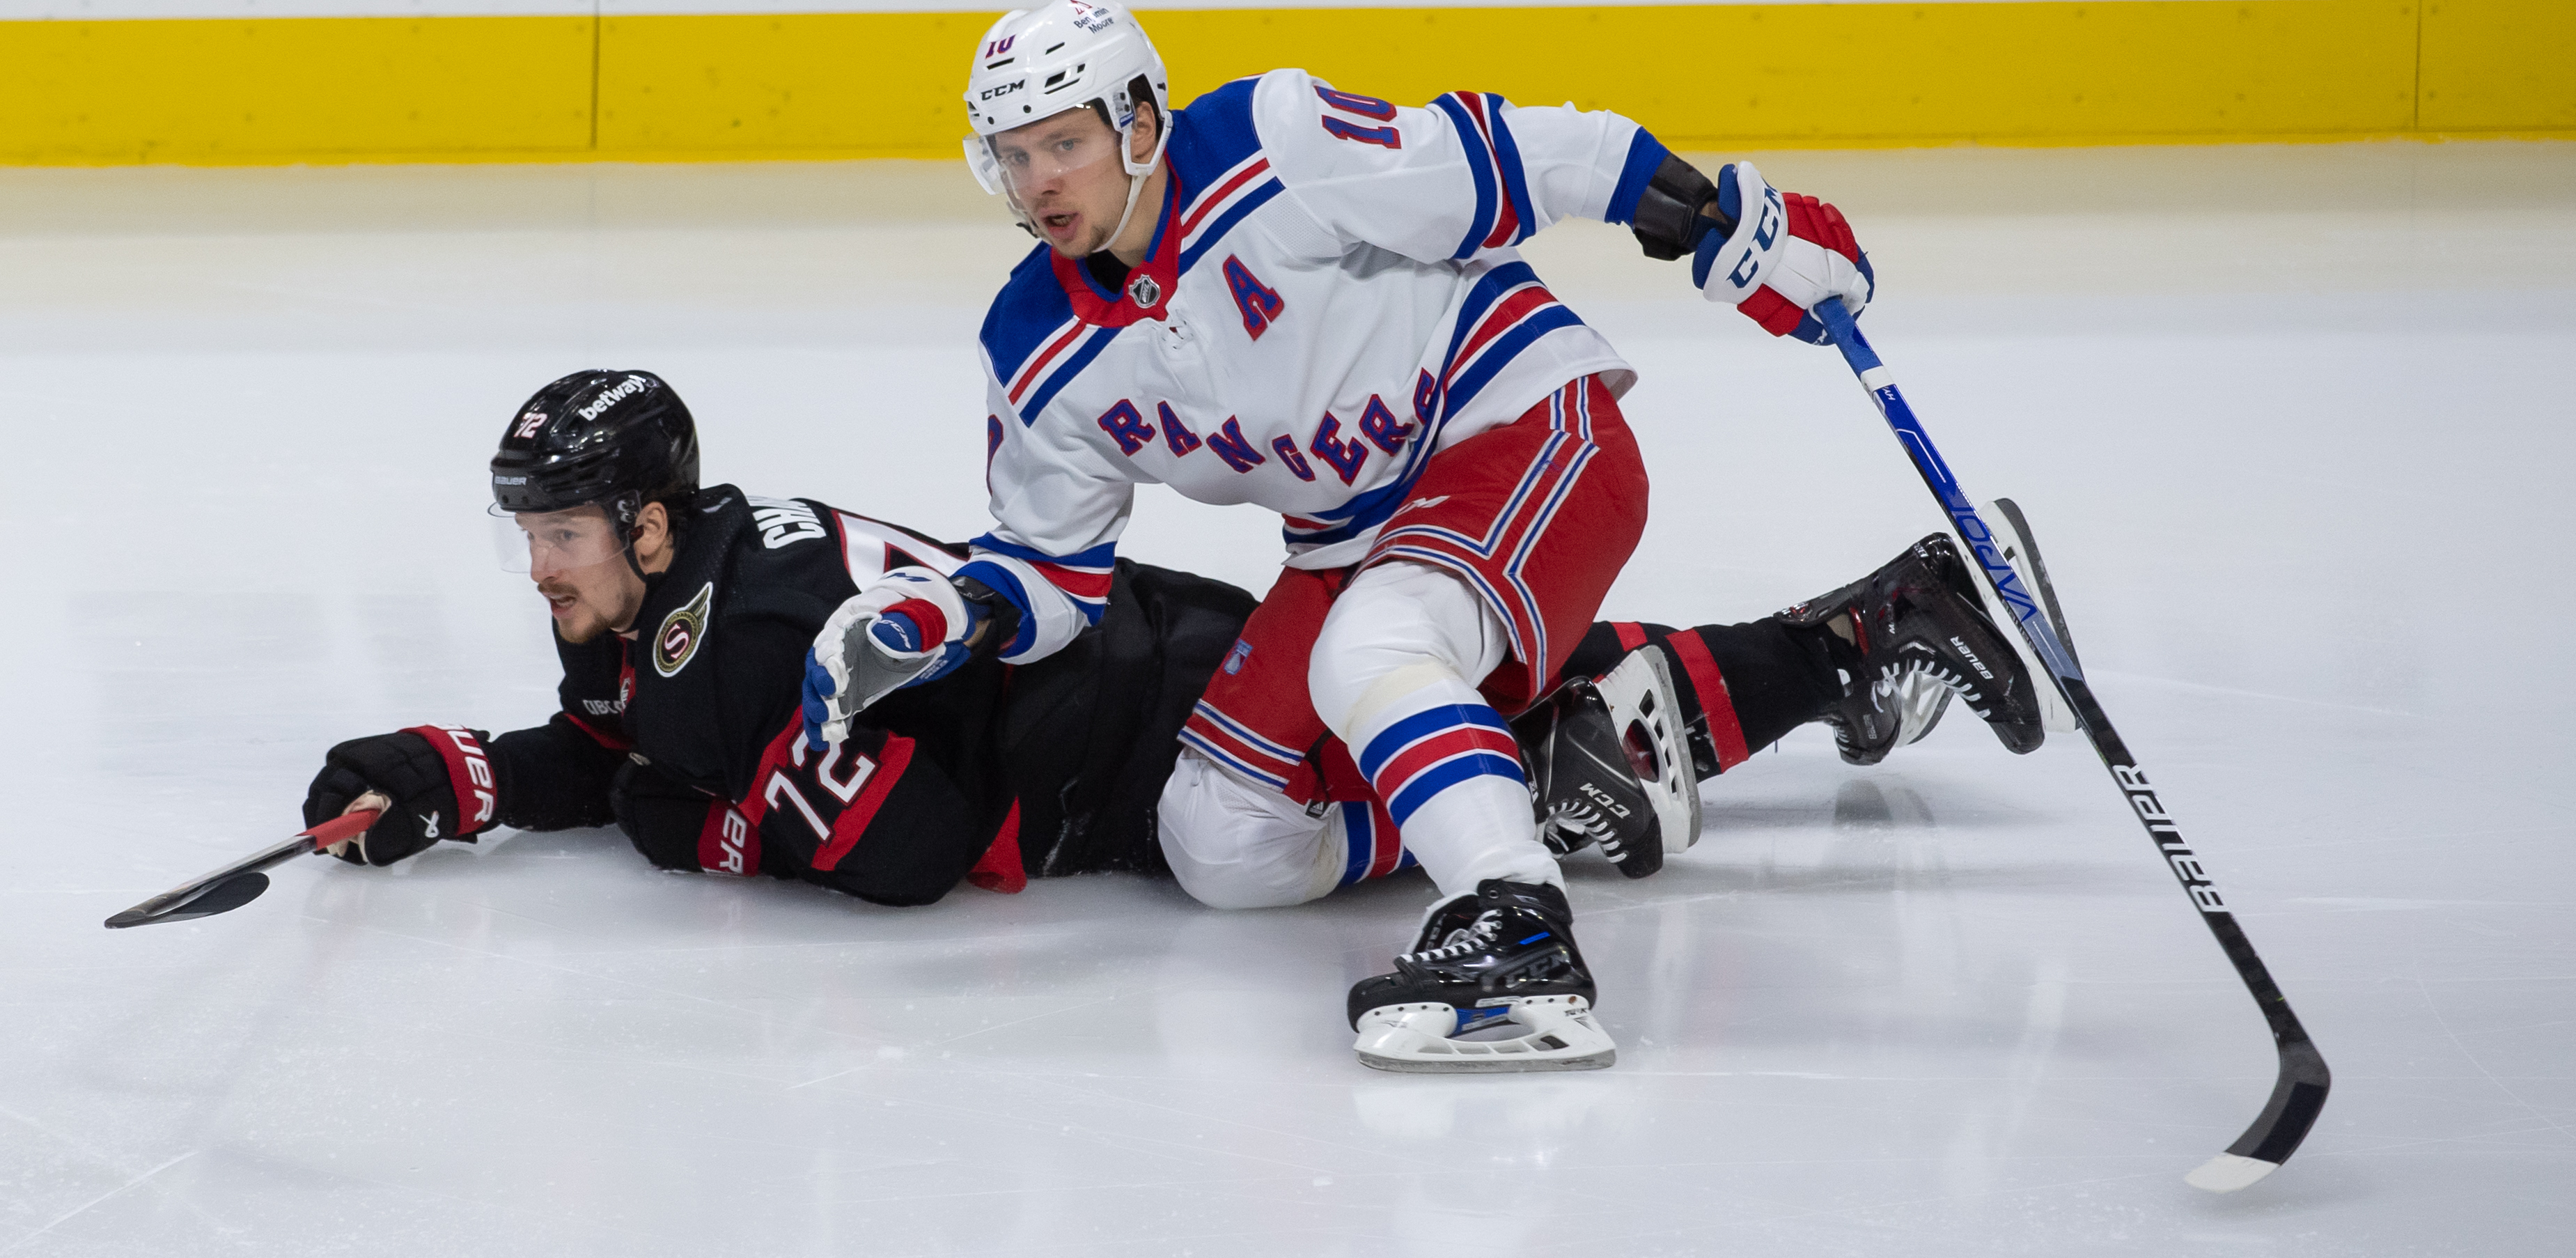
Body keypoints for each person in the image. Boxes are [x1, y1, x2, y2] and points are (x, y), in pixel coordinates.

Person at [800, 0, 2047, 1072]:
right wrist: (937, 614)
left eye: (1065, 144)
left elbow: (1522, 151)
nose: (1039, 185)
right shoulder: (1033, 343)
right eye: (1013, 157)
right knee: (1220, 836)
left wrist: (1723, 215)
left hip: (1517, 425)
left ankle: (1517, 923)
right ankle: (1558, 755)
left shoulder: (1269, 143)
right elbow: (1051, 569)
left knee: (1371, 652)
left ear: (1139, 123)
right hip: (1353, 539)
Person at [304, 370, 2039, 924]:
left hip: (1143, 729)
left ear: (651, 528)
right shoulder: (681, 609)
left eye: (560, 535)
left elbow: (908, 849)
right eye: (532, 537)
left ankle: (1859, 631)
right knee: (1503, 695)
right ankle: (1869, 621)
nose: (539, 569)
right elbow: (629, 744)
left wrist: (679, 826)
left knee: (1500, 741)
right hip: (1138, 668)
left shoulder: (741, 642)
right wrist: (446, 776)